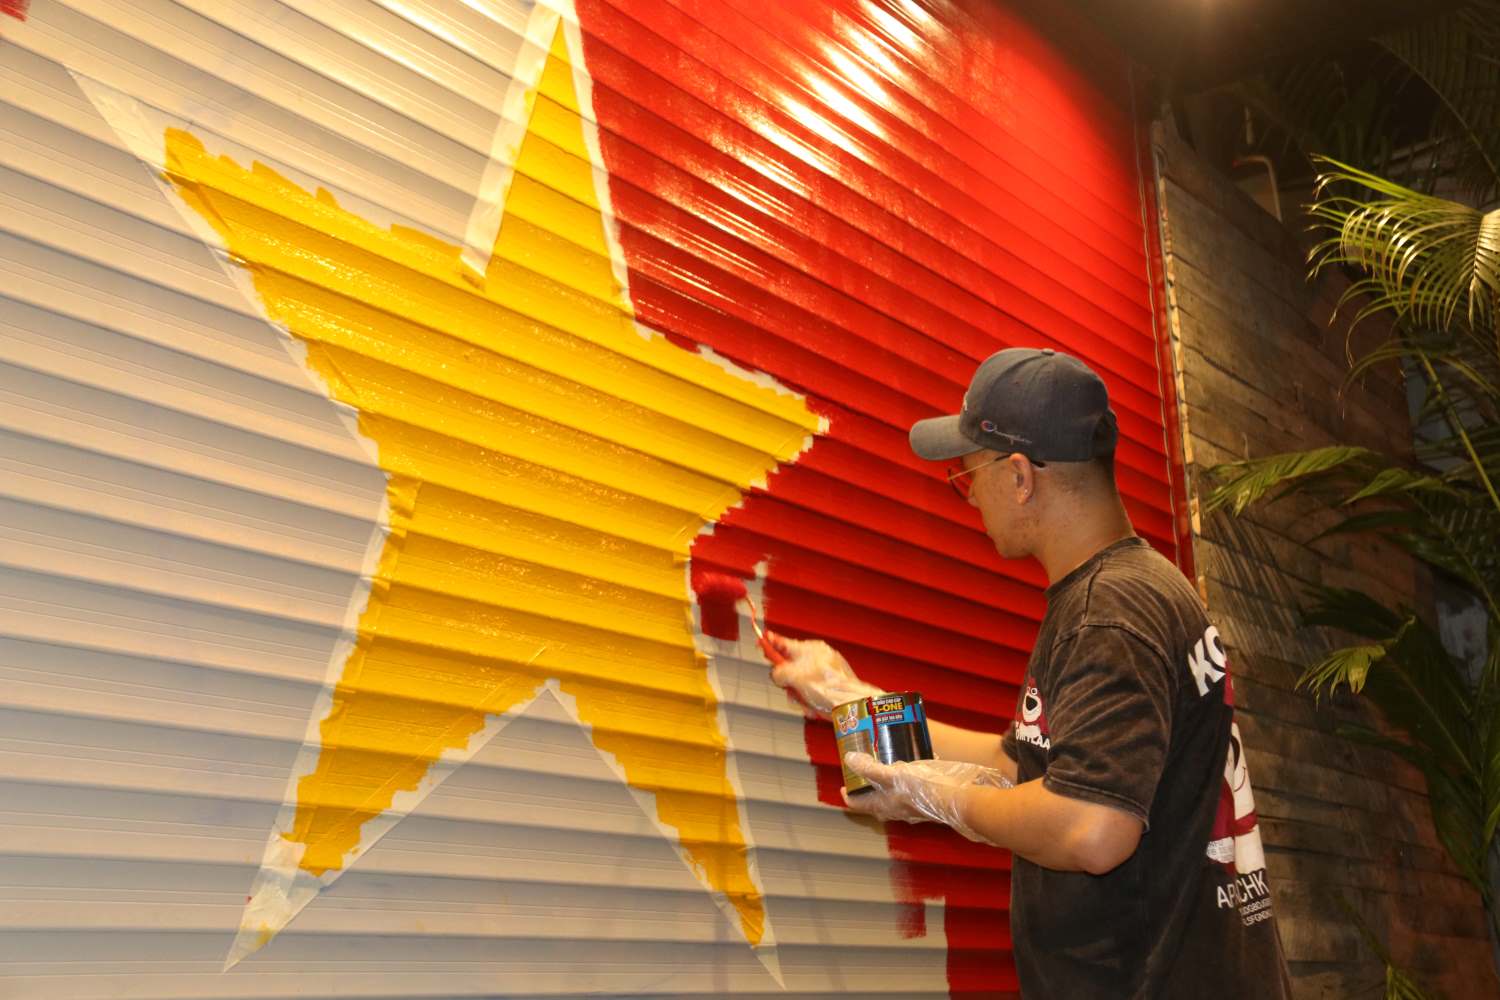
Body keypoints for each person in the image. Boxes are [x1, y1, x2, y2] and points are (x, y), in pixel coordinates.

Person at [768, 348, 1292, 998]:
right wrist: (853, 699)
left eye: (969, 475)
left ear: (1019, 476)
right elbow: (1027, 764)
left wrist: (937, 800)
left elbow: (1092, 828)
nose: (970, 495)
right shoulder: (1135, 591)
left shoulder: (1110, 613)